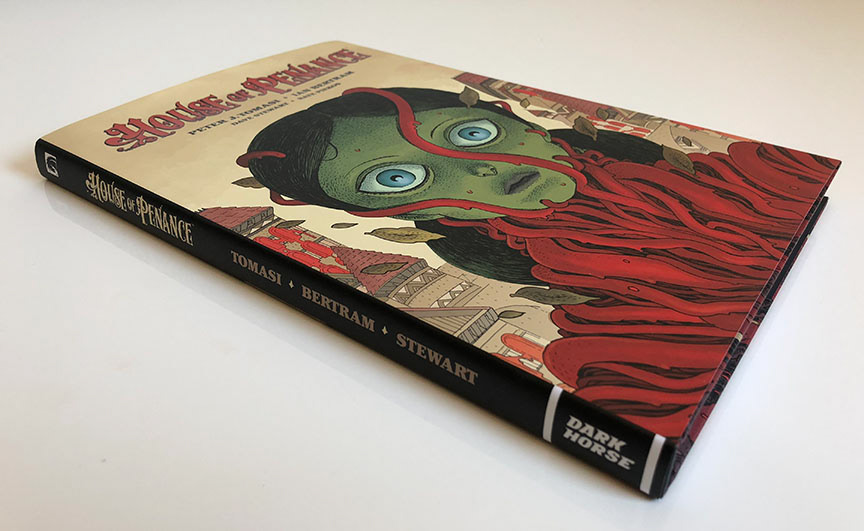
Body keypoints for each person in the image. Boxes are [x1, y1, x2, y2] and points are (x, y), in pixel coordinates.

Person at [237, 87, 837, 437]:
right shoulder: (618, 346)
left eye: (470, 133)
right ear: (399, 213)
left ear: (514, 119)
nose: (481, 168)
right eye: (396, 179)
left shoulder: (765, 175)